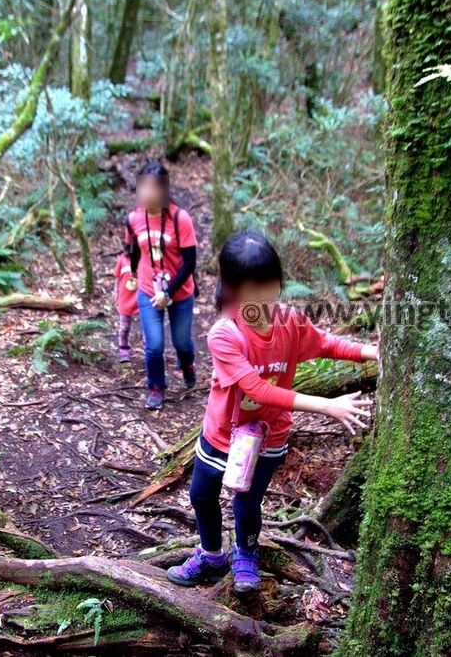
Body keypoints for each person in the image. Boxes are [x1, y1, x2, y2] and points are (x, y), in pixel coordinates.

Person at [165, 230, 378, 593]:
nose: (263, 298)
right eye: (253, 290)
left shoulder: (291, 321)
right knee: (202, 494)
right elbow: (256, 388)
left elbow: (324, 342)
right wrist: (326, 406)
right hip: (220, 435)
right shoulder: (225, 334)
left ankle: (246, 555)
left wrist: (368, 352)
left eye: (271, 286)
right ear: (233, 289)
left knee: (247, 501)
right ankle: (212, 555)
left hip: (267, 437)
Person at [124, 160, 198, 410]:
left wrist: (168, 292)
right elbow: (133, 250)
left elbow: (190, 263)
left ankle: (187, 364)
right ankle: (156, 387)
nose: (145, 194)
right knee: (154, 345)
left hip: (180, 290)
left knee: (182, 343)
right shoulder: (133, 219)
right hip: (147, 288)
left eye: (152, 188)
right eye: (142, 188)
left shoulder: (181, 218)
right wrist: (132, 274)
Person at [113, 248, 140, 363]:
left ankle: (149, 351)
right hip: (125, 297)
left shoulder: (144, 258)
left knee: (146, 327)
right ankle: (123, 350)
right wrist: (115, 293)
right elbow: (117, 279)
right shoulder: (122, 259)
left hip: (141, 297)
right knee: (124, 327)